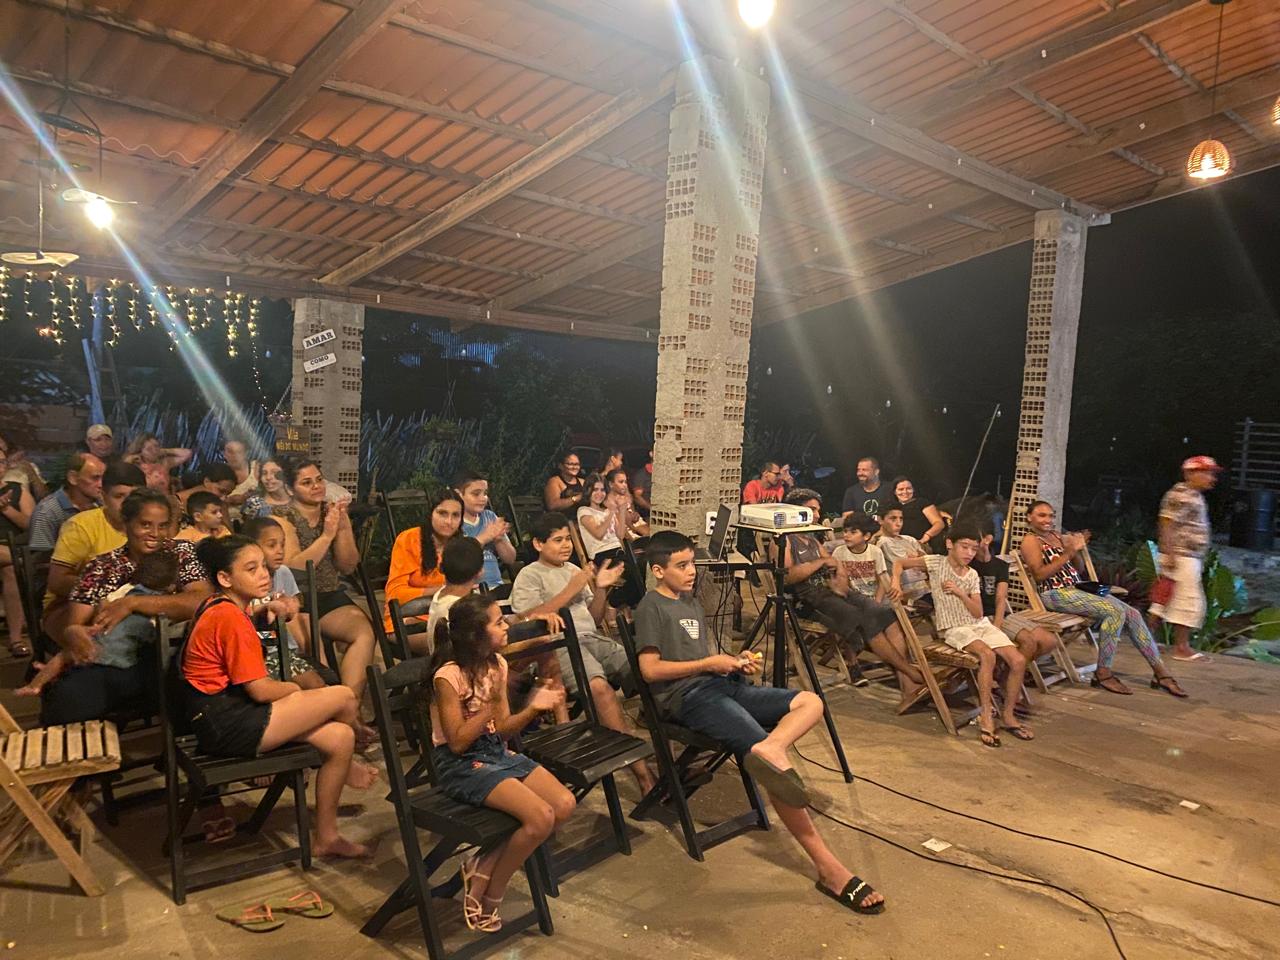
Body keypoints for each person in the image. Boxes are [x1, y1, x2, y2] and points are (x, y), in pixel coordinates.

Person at [635, 530, 886, 915]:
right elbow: (650, 671)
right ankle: (828, 868)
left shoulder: (690, 603)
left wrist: (734, 662)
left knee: (810, 701)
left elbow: (700, 659)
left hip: (719, 685)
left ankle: (771, 746)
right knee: (775, 768)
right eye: (681, 566)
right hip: (689, 698)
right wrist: (709, 664)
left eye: (692, 564)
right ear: (657, 571)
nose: (691, 572)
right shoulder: (651, 606)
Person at [180, 535, 378, 859]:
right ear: (225, 578)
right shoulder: (228, 617)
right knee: (343, 696)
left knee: (339, 738)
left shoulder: (223, 605)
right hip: (227, 724)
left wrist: (264, 607)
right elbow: (260, 690)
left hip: (228, 715)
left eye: (263, 566)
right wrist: (296, 693)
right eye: (251, 569)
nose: (263, 574)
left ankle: (327, 837)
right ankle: (354, 760)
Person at [429, 593, 576, 932]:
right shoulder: (448, 677)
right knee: (540, 817)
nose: (507, 625)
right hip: (460, 764)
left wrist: (534, 708)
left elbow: (505, 729)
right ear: (476, 636)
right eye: (498, 622)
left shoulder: (497, 664)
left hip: (494, 752)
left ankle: (482, 864)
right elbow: (458, 742)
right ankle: (493, 891)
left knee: (564, 804)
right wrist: (486, 707)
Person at [510, 512, 655, 792]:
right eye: (557, 540)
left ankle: (668, 754)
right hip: (559, 645)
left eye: (567, 539)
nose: (566, 545)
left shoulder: (573, 569)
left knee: (646, 669)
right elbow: (526, 620)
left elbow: (594, 616)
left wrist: (600, 589)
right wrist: (573, 587)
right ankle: (643, 773)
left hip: (592, 638)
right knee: (599, 687)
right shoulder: (530, 575)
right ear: (539, 544)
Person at [41, 489, 212, 725]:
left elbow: (202, 600)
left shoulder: (180, 553)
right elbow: (76, 623)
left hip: (178, 656)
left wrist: (132, 602)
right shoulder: (102, 567)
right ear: (126, 523)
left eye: (163, 526)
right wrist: (74, 633)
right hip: (118, 659)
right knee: (67, 700)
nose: (155, 534)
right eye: (145, 525)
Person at [1020, 500, 1185, 698]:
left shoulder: (1056, 536)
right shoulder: (1030, 541)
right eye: (1041, 515)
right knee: (1114, 612)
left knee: (1132, 613)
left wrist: (1075, 549)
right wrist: (1069, 552)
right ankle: (1103, 672)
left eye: (1051, 515)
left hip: (1079, 588)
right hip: (1054, 593)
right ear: (1029, 517)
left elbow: (1078, 569)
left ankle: (1161, 673)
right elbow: (1039, 575)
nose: (1048, 520)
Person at [892, 525, 1034, 747]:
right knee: (987, 655)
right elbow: (899, 563)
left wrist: (960, 592)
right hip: (953, 627)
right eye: (964, 547)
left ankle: (1007, 715)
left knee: (1018, 660)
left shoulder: (972, 574)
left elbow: (977, 612)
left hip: (978, 623)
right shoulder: (936, 563)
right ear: (950, 544)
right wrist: (895, 582)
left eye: (973, 549)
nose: (969, 553)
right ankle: (986, 715)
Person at [781, 490, 925, 706]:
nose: (818, 515)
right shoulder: (784, 540)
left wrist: (839, 573)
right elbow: (788, 576)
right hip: (807, 600)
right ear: (795, 511)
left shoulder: (811, 539)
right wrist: (821, 563)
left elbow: (834, 562)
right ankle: (910, 672)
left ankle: (907, 685)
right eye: (812, 510)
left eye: (817, 510)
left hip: (831, 592)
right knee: (864, 619)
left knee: (885, 613)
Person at [425, 538, 569, 723]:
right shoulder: (459, 607)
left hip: (478, 661)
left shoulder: (445, 595)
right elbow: (486, 648)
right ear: (480, 571)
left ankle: (550, 716)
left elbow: (500, 625)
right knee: (544, 646)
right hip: (471, 672)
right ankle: (554, 718)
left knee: (541, 646)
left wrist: (530, 618)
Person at [278, 460, 376, 704]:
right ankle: (330, 703)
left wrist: (343, 529)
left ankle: (350, 704)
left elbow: (348, 566)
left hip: (328, 594)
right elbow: (293, 568)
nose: (316, 486)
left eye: (319, 479)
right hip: (296, 599)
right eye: (306, 482)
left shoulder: (331, 513)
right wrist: (327, 536)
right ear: (290, 489)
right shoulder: (282, 519)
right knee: (312, 645)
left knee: (364, 632)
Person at [18, 551, 178, 698]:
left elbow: (103, 603)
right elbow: (154, 631)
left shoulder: (125, 590)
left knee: (64, 656)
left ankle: (36, 685)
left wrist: (102, 619)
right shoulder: (162, 603)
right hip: (123, 659)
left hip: (97, 641)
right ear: (171, 584)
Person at [41, 462, 146, 651]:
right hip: (70, 606)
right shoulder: (82, 526)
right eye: (119, 496)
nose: (127, 504)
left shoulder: (151, 527)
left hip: (131, 604)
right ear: (103, 496)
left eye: (134, 497)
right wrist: (103, 592)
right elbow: (57, 581)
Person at [1152, 456, 1222, 663]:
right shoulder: (1181, 495)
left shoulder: (1193, 495)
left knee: (1163, 599)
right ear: (1191, 473)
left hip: (1185, 556)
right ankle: (1181, 648)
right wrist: (1170, 553)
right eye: (1207, 473)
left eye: (1212, 473)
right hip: (1181, 556)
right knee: (1187, 601)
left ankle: (1145, 637)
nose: (1212, 478)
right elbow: (1166, 523)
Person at [243, 516, 326, 690]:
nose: (280, 551)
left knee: (317, 685)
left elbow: (295, 607)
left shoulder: (283, 572)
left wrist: (292, 605)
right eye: (272, 545)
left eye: (282, 544)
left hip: (285, 650)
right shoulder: (243, 579)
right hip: (257, 653)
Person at [970, 533, 1059, 676]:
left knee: (1050, 641)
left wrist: (997, 625)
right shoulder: (967, 565)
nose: (971, 544)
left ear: (987, 539)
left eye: (974, 539)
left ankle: (1008, 675)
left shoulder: (1000, 565)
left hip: (999, 614)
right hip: (980, 617)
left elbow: (1001, 598)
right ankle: (1009, 678)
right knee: (1028, 642)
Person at [384, 489, 463, 630]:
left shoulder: (462, 545)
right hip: (407, 617)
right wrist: (442, 590)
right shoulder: (409, 539)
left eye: (455, 515)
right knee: (459, 636)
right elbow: (394, 594)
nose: (449, 521)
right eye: (442, 513)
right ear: (430, 514)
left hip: (449, 617)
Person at [27, 453, 105, 553]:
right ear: (73, 478)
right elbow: (40, 558)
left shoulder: (103, 504)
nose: (101, 484)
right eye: (95, 478)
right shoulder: (47, 511)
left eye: (103, 478)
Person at [0, 444, 37, 656]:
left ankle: (15, 639)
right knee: (16, 562)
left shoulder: (16, 490)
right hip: (10, 552)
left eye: (1, 462)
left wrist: (6, 509)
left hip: (11, 547)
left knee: (11, 571)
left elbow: (32, 525)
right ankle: (21, 560)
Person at [454, 471, 516, 593]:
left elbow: (510, 559)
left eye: (485, 493)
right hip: (472, 590)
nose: (483, 498)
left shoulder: (490, 517)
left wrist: (499, 539)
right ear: (459, 494)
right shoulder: (453, 522)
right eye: (476, 494)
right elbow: (458, 559)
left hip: (497, 586)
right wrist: (485, 537)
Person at [876, 506, 930, 604]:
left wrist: (916, 560)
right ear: (880, 520)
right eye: (893, 519)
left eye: (901, 519)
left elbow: (928, 563)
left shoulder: (909, 539)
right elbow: (903, 564)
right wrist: (917, 559)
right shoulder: (884, 542)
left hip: (924, 591)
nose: (898, 523)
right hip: (904, 596)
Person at [831, 511, 885, 600]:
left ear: (866, 536)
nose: (846, 535)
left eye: (853, 532)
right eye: (845, 531)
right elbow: (834, 578)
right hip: (849, 599)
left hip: (872, 599)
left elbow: (882, 581)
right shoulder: (839, 552)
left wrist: (876, 603)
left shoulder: (875, 552)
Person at [577, 472, 625, 564]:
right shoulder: (584, 511)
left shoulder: (607, 510)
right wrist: (611, 512)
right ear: (588, 491)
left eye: (602, 490)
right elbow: (599, 534)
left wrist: (622, 512)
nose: (599, 493)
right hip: (601, 554)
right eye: (595, 489)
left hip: (618, 551)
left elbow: (621, 535)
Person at [124, 433, 192, 493]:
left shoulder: (164, 462)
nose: (154, 451)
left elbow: (187, 453)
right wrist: (132, 458)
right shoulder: (137, 465)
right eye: (149, 449)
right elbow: (123, 469)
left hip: (164, 496)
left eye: (156, 446)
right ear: (141, 451)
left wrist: (164, 451)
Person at [891, 476, 945, 551]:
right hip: (896, 544)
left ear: (913, 489)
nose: (905, 492)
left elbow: (939, 523)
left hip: (919, 544)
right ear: (895, 492)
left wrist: (926, 537)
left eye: (908, 488)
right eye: (901, 489)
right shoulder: (892, 507)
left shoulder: (922, 503)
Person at [840, 456, 888, 522]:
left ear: (876, 472)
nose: (860, 473)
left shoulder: (889, 489)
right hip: (860, 528)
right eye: (858, 470)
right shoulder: (851, 492)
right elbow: (847, 519)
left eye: (864, 470)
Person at [606, 468, 648, 538]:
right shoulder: (609, 502)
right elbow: (624, 524)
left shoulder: (626, 496)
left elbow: (633, 511)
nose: (624, 485)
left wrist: (635, 514)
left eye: (625, 482)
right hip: (626, 532)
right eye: (621, 482)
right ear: (611, 484)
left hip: (637, 525)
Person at [222, 439, 260, 506]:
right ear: (224, 454)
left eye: (239, 452)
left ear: (246, 454)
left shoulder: (257, 467)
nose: (234, 456)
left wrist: (247, 497)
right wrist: (229, 501)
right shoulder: (218, 473)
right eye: (230, 452)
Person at [630, 451, 653, 519]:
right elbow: (637, 497)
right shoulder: (641, 475)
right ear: (651, 454)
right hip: (646, 515)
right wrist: (652, 508)